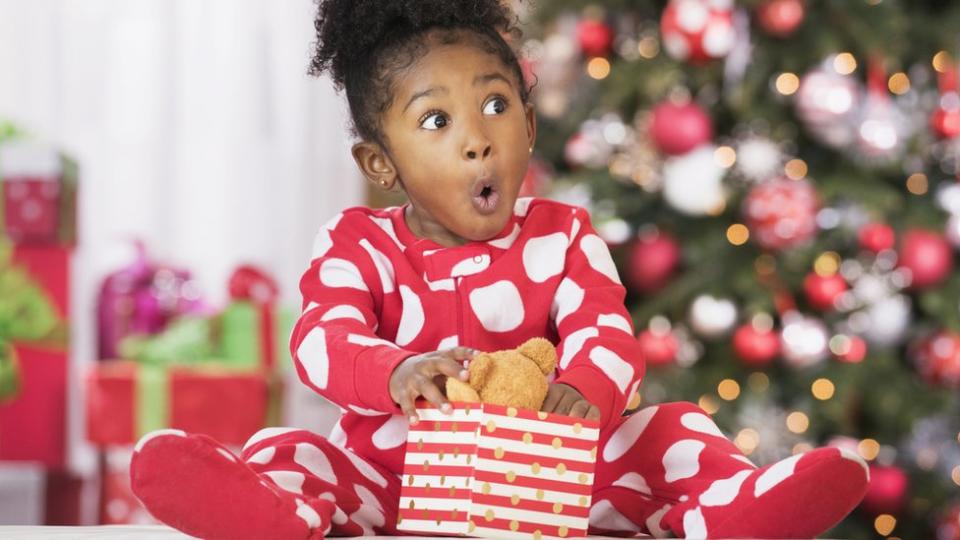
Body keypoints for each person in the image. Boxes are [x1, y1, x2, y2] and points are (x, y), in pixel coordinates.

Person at [130, 1, 869, 538]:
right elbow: (321, 339)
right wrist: (395, 372)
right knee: (295, 450)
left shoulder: (565, 236)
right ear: (381, 163)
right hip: (397, 478)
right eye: (436, 121)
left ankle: (733, 508)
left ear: (530, 121)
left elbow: (605, 329)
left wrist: (585, 388)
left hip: (555, 482)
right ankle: (269, 511)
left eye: (495, 103)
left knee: (673, 429)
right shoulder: (357, 243)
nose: (478, 140)